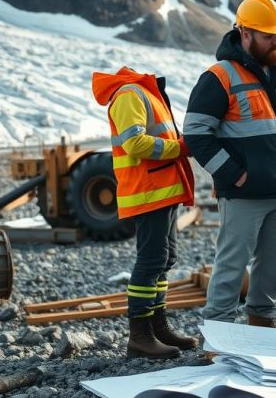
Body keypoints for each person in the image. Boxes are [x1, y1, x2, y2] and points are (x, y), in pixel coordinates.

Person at [183, 0, 276, 330]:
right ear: (245, 34)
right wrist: (234, 174)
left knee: (272, 266)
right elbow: (196, 133)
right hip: (243, 195)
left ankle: (261, 327)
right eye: (268, 35)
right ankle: (217, 335)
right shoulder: (219, 76)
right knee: (231, 266)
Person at [91, 66, 198, 359]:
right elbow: (134, 144)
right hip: (148, 191)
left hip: (162, 191)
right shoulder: (130, 94)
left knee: (165, 259)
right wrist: (179, 148)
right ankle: (139, 337)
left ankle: (157, 327)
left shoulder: (145, 93)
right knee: (151, 261)